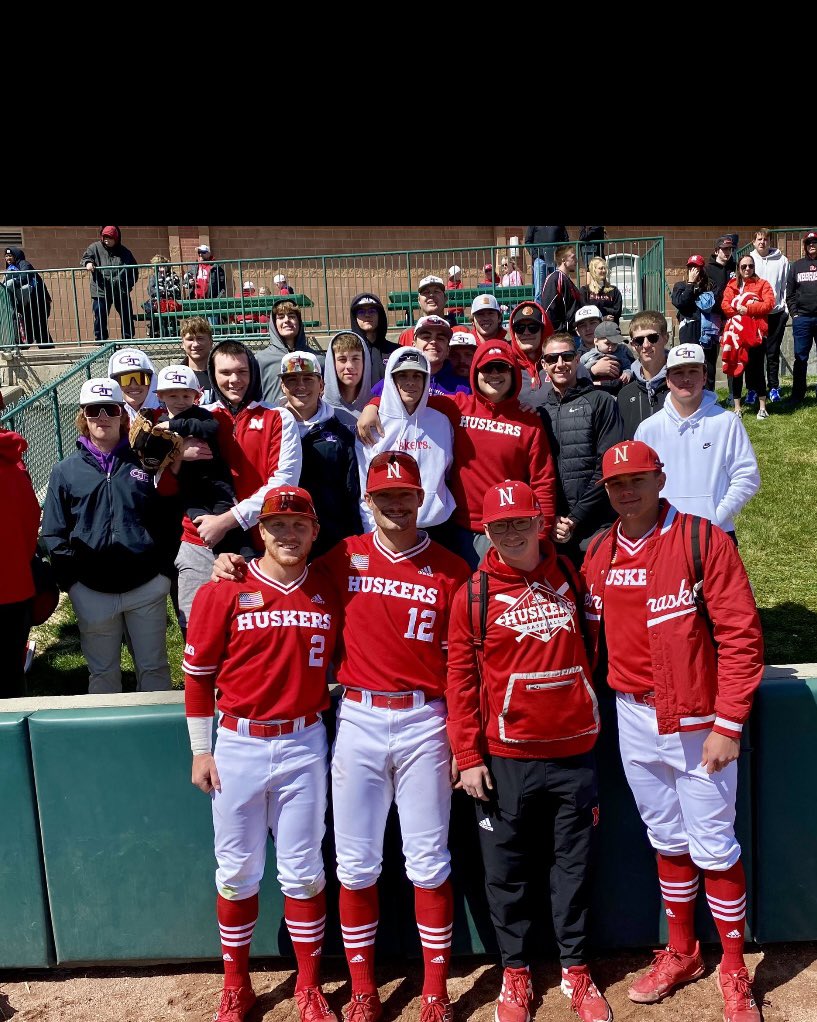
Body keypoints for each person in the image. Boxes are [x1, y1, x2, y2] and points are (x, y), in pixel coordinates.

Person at [582, 439, 764, 1022]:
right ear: (606, 492)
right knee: (667, 840)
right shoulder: (599, 551)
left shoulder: (699, 538)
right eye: (616, 483)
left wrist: (729, 722)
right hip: (632, 715)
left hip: (697, 719)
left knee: (715, 845)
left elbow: (741, 635)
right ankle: (682, 951)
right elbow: (586, 639)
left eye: (638, 479)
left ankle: (734, 968)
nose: (627, 490)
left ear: (660, 479)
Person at [446, 480, 612, 1022]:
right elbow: (461, 680)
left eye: (521, 522)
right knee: (506, 873)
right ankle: (514, 971)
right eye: (500, 526)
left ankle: (575, 967)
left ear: (541, 523)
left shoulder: (570, 572)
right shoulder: (472, 594)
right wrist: (467, 754)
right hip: (505, 756)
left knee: (574, 865)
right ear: (486, 532)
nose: (512, 533)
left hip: (574, 749)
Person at [321, 452, 471, 1022]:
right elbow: (281, 577)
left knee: (428, 861)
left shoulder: (451, 569)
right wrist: (229, 566)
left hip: (424, 719)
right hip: (358, 714)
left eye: (405, 495)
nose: (396, 505)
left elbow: (462, 666)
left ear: (421, 498)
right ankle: (363, 990)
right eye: (385, 497)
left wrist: (462, 740)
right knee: (356, 865)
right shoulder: (344, 557)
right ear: (369, 501)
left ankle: (434, 992)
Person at [183, 485, 342, 1022]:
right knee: (236, 871)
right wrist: (201, 752)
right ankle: (236, 985)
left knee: (303, 871)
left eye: (300, 524)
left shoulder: (329, 586)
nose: (289, 533)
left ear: (315, 532)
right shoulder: (223, 590)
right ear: (260, 531)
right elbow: (198, 678)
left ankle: (309, 986)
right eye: (278, 525)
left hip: (304, 741)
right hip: (239, 743)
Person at [358, 340, 558, 571]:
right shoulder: (456, 407)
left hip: (510, 529)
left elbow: (543, 481)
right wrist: (372, 405)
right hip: (462, 530)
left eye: (501, 368)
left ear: (513, 373)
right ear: (476, 372)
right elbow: (408, 396)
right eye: (487, 368)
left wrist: (541, 536)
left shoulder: (529, 421)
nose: (494, 374)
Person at [40, 378, 172, 694]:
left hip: (146, 586)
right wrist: (72, 583)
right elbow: (53, 533)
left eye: (110, 409)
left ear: (122, 415)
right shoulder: (65, 470)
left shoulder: (147, 461)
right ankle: (108, 743)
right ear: (83, 416)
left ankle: (158, 740)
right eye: (93, 410)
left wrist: (164, 573)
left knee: (154, 668)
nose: (102, 417)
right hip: (92, 591)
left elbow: (168, 520)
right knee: (102, 674)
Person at [169, 339, 302, 633]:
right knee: (197, 631)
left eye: (241, 371)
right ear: (213, 375)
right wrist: (177, 453)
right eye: (225, 372)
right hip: (198, 539)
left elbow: (283, 484)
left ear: (252, 372)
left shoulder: (278, 418)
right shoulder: (195, 417)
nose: (234, 380)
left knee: (254, 632)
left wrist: (228, 521)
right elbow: (160, 472)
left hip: (258, 542)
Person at [635, 344, 760, 542]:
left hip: (717, 533)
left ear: (704, 376)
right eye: (678, 372)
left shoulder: (727, 422)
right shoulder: (647, 429)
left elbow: (747, 476)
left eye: (693, 371)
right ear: (667, 380)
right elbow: (639, 482)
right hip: (663, 534)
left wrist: (717, 516)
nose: (686, 379)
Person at [539, 332, 624, 565]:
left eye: (566, 356)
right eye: (552, 358)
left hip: (597, 523)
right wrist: (552, 518)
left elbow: (608, 465)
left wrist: (575, 517)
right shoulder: (538, 412)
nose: (560, 364)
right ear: (543, 365)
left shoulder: (601, 401)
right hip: (554, 527)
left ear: (577, 359)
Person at [355, 348, 455, 537]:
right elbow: (364, 487)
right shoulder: (371, 424)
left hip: (439, 527)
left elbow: (448, 473)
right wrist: (372, 533)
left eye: (417, 376)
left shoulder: (441, 422)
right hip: (389, 529)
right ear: (391, 380)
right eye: (402, 376)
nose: (410, 382)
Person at [154, 365, 244, 557]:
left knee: (226, 520)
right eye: (173, 396)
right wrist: (178, 453)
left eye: (186, 396)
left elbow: (210, 428)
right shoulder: (157, 423)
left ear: (196, 396)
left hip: (215, 482)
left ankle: (239, 557)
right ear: (160, 396)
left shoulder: (200, 414)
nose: (180, 402)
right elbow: (154, 457)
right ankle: (218, 559)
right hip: (187, 489)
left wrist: (174, 425)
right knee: (199, 520)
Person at [279, 351, 362, 558]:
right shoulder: (271, 429)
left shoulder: (340, 434)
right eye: (292, 380)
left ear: (321, 385)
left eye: (308, 379)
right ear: (282, 386)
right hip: (281, 539)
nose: (300, 386)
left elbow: (352, 493)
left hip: (331, 542)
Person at [1, 427, 40, 697]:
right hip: (15, 584)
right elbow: (31, 516)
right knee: (10, 676)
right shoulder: (13, 459)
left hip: (14, 582)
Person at [721, 255, 774, 420]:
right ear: (738, 268)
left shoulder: (762, 284)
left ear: (754, 267)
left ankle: (762, 407)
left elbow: (769, 304)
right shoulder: (731, 285)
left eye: (750, 266)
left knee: (757, 370)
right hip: (736, 334)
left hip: (756, 334)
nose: (747, 269)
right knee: (736, 371)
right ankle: (737, 408)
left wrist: (748, 309)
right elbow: (725, 304)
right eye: (743, 266)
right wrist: (738, 310)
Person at [374, 316, 469, 398]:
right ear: (413, 345)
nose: (433, 342)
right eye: (426, 337)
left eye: (440, 338)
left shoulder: (464, 389)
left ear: (448, 349)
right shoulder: (392, 382)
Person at [256, 297, 325, 407]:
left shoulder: (317, 359)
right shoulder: (260, 360)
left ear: (299, 322)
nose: (286, 320)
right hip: (274, 421)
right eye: (281, 317)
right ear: (274, 323)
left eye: (292, 316)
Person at [670, 255, 721, 391]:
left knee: (708, 366)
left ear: (702, 269)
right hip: (689, 328)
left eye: (696, 267)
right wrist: (691, 285)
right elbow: (680, 303)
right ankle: (692, 394)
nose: (693, 270)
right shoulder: (680, 285)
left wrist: (698, 295)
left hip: (708, 328)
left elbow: (713, 304)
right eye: (691, 267)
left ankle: (709, 397)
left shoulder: (710, 285)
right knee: (690, 363)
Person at [617, 311, 670, 439]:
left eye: (652, 338)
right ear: (633, 345)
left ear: (665, 338)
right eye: (639, 340)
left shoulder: (682, 387)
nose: (646, 345)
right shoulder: (625, 395)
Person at [80, 226, 139, 343]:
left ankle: (128, 339)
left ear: (116, 238)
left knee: (126, 315)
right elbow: (86, 257)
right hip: (100, 290)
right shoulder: (94, 247)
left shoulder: (125, 252)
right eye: (105, 237)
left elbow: (134, 270)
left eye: (110, 238)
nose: (107, 240)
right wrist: (88, 263)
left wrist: (127, 285)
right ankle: (101, 340)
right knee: (100, 314)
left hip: (120, 291)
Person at [751, 229, 789, 403]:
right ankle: (753, 389)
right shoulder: (749, 260)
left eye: (765, 239)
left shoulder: (782, 260)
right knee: (755, 355)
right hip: (755, 315)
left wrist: (786, 309)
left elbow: (787, 286)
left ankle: (773, 388)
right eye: (759, 239)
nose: (762, 242)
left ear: (770, 241)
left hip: (776, 314)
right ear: (754, 242)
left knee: (772, 353)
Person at [785, 230, 817, 405]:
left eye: (815, 242)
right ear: (805, 246)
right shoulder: (796, 266)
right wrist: (795, 314)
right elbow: (789, 293)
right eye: (809, 243)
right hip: (802, 319)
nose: (812, 245)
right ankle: (797, 395)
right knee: (800, 358)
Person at [2, 246, 53, 347]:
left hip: (38, 302)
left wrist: (14, 282)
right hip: (26, 304)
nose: (8, 258)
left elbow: (25, 276)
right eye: (6, 256)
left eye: (10, 256)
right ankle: (23, 347)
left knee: (39, 326)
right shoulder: (9, 269)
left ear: (16, 256)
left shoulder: (24, 264)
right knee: (28, 327)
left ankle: (47, 348)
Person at [507, 300, 554, 409]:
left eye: (533, 327)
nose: (526, 332)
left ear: (543, 330)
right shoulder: (506, 367)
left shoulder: (560, 362)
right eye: (519, 328)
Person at [323, 330, 374, 424]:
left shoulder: (378, 407)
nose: (349, 366)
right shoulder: (319, 409)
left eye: (355, 358)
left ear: (365, 362)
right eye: (342, 359)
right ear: (332, 363)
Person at [349, 293, 398, 385]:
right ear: (355, 318)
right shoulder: (348, 353)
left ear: (380, 315)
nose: (367, 315)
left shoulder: (395, 352)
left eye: (372, 311)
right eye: (361, 312)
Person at [107, 347, 162, 422]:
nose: (133, 385)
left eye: (141, 379)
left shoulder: (167, 414)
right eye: (125, 380)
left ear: (151, 382)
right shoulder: (106, 418)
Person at [580, 322, 634, 394]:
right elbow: (579, 371)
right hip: (595, 390)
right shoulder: (588, 356)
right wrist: (593, 370)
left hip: (616, 389)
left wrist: (627, 373)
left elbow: (627, 366)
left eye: (614, 344)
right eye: (607, 343)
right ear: (596, 341)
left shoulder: (620, 353)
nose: (611, 347)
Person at [540, 245, 583, 333]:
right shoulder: (555, 278)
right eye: (573, 257)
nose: (576, 261)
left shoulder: (567, 280)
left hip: (572, 332)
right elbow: (549, 309)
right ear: (563, 260)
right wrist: (560, 331)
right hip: (563, 335)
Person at [397, 277, 449, 347]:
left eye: (436, 291)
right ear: (419, 300)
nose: (431, 295)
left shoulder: (461, 331)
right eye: (426, 292)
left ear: (445, 299)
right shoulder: (407, 335)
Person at [142, 255, 183, 338]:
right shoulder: (154, 277)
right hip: (158, 302)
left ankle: (169, 333)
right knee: (155, 310)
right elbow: (151, 289)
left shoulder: (173, 276)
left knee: (166, 311)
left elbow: (176, 289)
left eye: (162, 266)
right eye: (159, 267)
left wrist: (164, 292)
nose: (161, 269)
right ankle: (154, 332)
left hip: (170, 302)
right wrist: (161, 292)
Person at [524, 226, 568, 299]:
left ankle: (556, 307)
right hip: (540, 259)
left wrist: (560, 255)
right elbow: (528, 241)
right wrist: (535, 256)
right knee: (539, 290)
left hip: (555, 259)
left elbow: (565, 240)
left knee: (557, 287)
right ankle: (539, 309)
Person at [179, 316, 216, 402]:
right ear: (183, 344)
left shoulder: (221, 373)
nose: (195, 344)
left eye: (200, 338)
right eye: (190, 339)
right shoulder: (176, 376)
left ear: (211, 342)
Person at [579, 257, 622, 324]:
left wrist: (598, 310)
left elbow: (617, 311)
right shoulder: (585, 291)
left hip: (611, 328)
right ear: (594, 270)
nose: (604, 271)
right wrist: (602, 318)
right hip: (593, 330)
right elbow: (586, 311)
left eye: (605, 268)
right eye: (601, 268)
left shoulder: (614, 290)